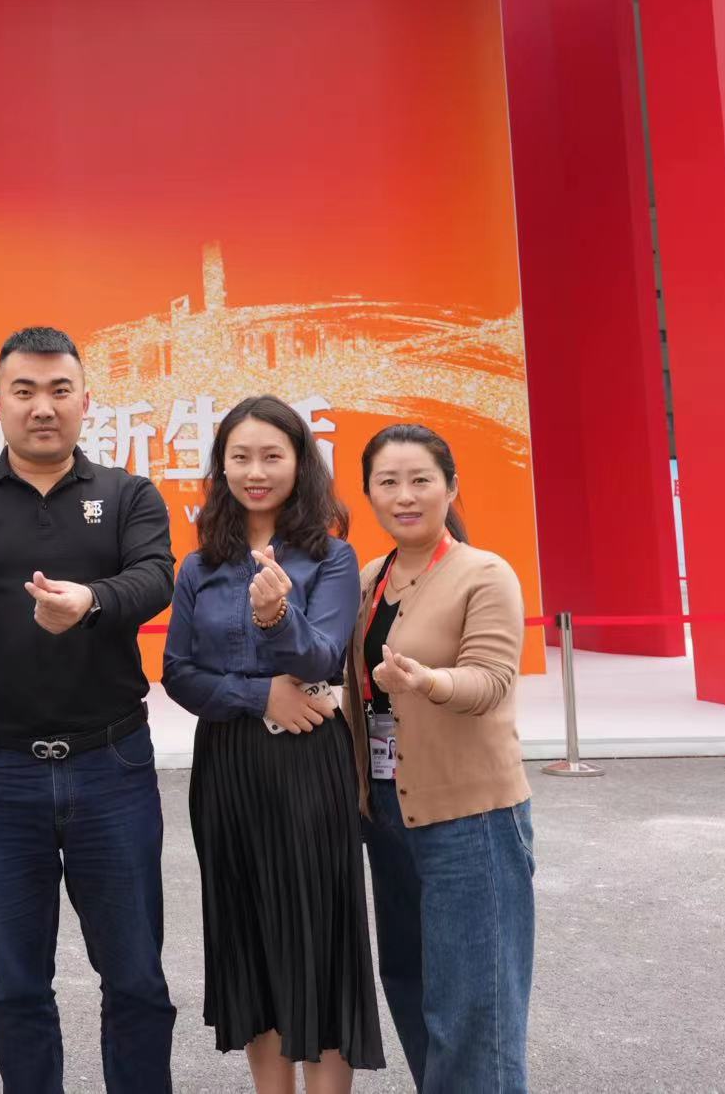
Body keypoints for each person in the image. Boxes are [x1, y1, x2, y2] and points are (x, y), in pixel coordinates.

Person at [0, 326, 177, 1094]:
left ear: (86, 401)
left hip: (111, 766)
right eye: (24, 391)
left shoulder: (127, 495)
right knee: (16, 986)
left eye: (60, 390)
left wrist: (91, 600)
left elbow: (156, 576)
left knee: (136, 978)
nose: (43, 407)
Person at [160, 396, 383, 1092]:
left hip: (308, 764)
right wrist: (260, 696)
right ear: (222, 467)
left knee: (317, 939)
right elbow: (178, 673)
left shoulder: (331, 557)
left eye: (272, 456)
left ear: (300, 463)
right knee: (251, 937)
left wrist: (275, 615)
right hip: (228, 767)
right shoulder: (199, 566)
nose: (255, 472)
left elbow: (321, 657)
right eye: (241, 457)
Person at [344, 423, 535, 1093]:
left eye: (421, 479)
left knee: (474, 1005)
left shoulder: (484, 574)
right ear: (369, 493)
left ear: (450, 487)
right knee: (411, 980)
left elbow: (492, 681)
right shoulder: (369, 578)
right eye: (388, 482)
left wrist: (429, 681)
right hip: (388, 809)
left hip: (468, 816)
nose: (405, 495)